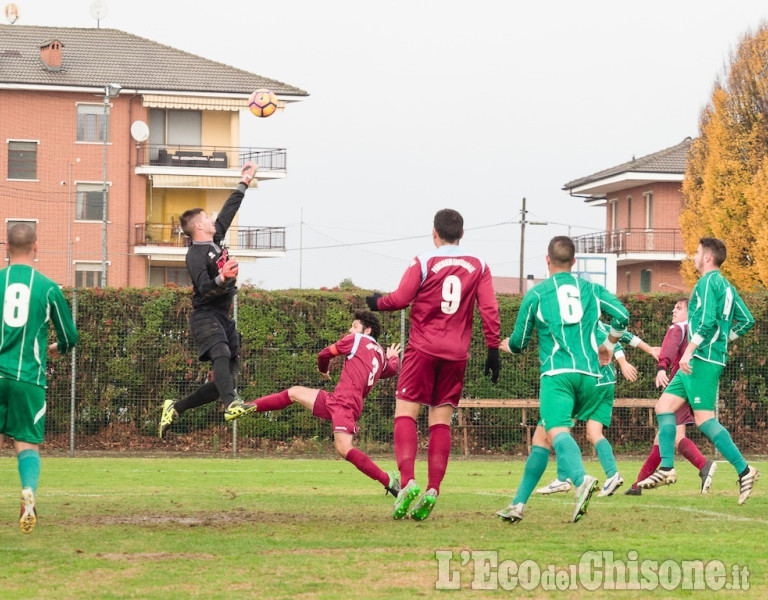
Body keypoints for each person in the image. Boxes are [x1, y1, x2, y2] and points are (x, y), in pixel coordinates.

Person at [366, 208, 501, 521]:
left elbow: (400, 298)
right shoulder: (479, 265)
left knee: (406, 413)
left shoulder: (424, 260)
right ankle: (433, 489)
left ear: (434, 233)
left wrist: (377, 303)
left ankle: (409, 483)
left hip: (423, 350)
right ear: (462, 234)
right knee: (440, 420)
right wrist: (492, 348)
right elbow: (490, 309)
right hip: (456, 355)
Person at [495, 236, 629, 523]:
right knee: (541, 438)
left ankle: (580, 480)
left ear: (547, 260)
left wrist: (507, 346)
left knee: (557, 432)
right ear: (574, 262)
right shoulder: (591, 289)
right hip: (591, 378)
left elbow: (519, 342)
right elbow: (621, 316)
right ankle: (517, 504)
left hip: (558, 376)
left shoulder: (538, 294)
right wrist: (607, 345)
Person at [225, 310, 402, 495]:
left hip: (345, 403)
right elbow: (391, 370)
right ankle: (248, 405)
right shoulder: (380, 355)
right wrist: (393, 356)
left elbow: (324, 354)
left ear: (367, 330)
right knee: (294, 392)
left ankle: (389, 481)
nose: (350, 329)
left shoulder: (356, 340)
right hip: (340, 400)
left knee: (344, 449)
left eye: (355, 326)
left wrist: (323, 370)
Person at [638, 238, 758, 504]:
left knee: (704, 420)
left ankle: (745, 470)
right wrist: (723, 341)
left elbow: (705, 323)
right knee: (663, 407)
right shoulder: (727, 287)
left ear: (707, 257)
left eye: (696, 252)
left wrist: (690, 351)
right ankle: (667, 468)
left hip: (701, 360)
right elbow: (747, 321)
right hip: (706, 357)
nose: (693, 255)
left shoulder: (706, 283)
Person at [159, 162, 256, 438]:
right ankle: (232, 405)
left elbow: (228, 210)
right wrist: (222, 278)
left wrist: (244, 182)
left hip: (223, 317)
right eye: (207, 217)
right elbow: (203, 287)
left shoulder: (216, 239)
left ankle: (175, 408)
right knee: (222, 356)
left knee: (225, 380)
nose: (213, 219)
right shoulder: (195, 254)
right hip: (205, 316)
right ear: (199, 225)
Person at [0, 224, 78, 533]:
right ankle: (27, 494)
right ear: (36, 247)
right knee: (26, 444)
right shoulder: (48, 288)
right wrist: (57, 349)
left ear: (6, 248)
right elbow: (70, 337)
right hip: (28, 377)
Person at [535, 323, 659, 499]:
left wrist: (623, 362)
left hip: (592, 382)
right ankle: (612, 475)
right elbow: (625, 335)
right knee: (594, 433)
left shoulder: (586, 323)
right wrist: (649, 350)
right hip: (607, 385)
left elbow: (612, 343)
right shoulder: (602, 323)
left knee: (559, 427)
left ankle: (563, 478)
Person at [625, 298, 713, 495]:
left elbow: (670, 349)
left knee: (675, 437)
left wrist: (661, 367)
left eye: (679, 308)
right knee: (661, 439)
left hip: (678, 387)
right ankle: (637, 486)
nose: (674, 310)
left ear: (689, 313)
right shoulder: (697, 332)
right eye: (673, 307)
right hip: (693, 385)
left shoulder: (679, 328)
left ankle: (704, 465)